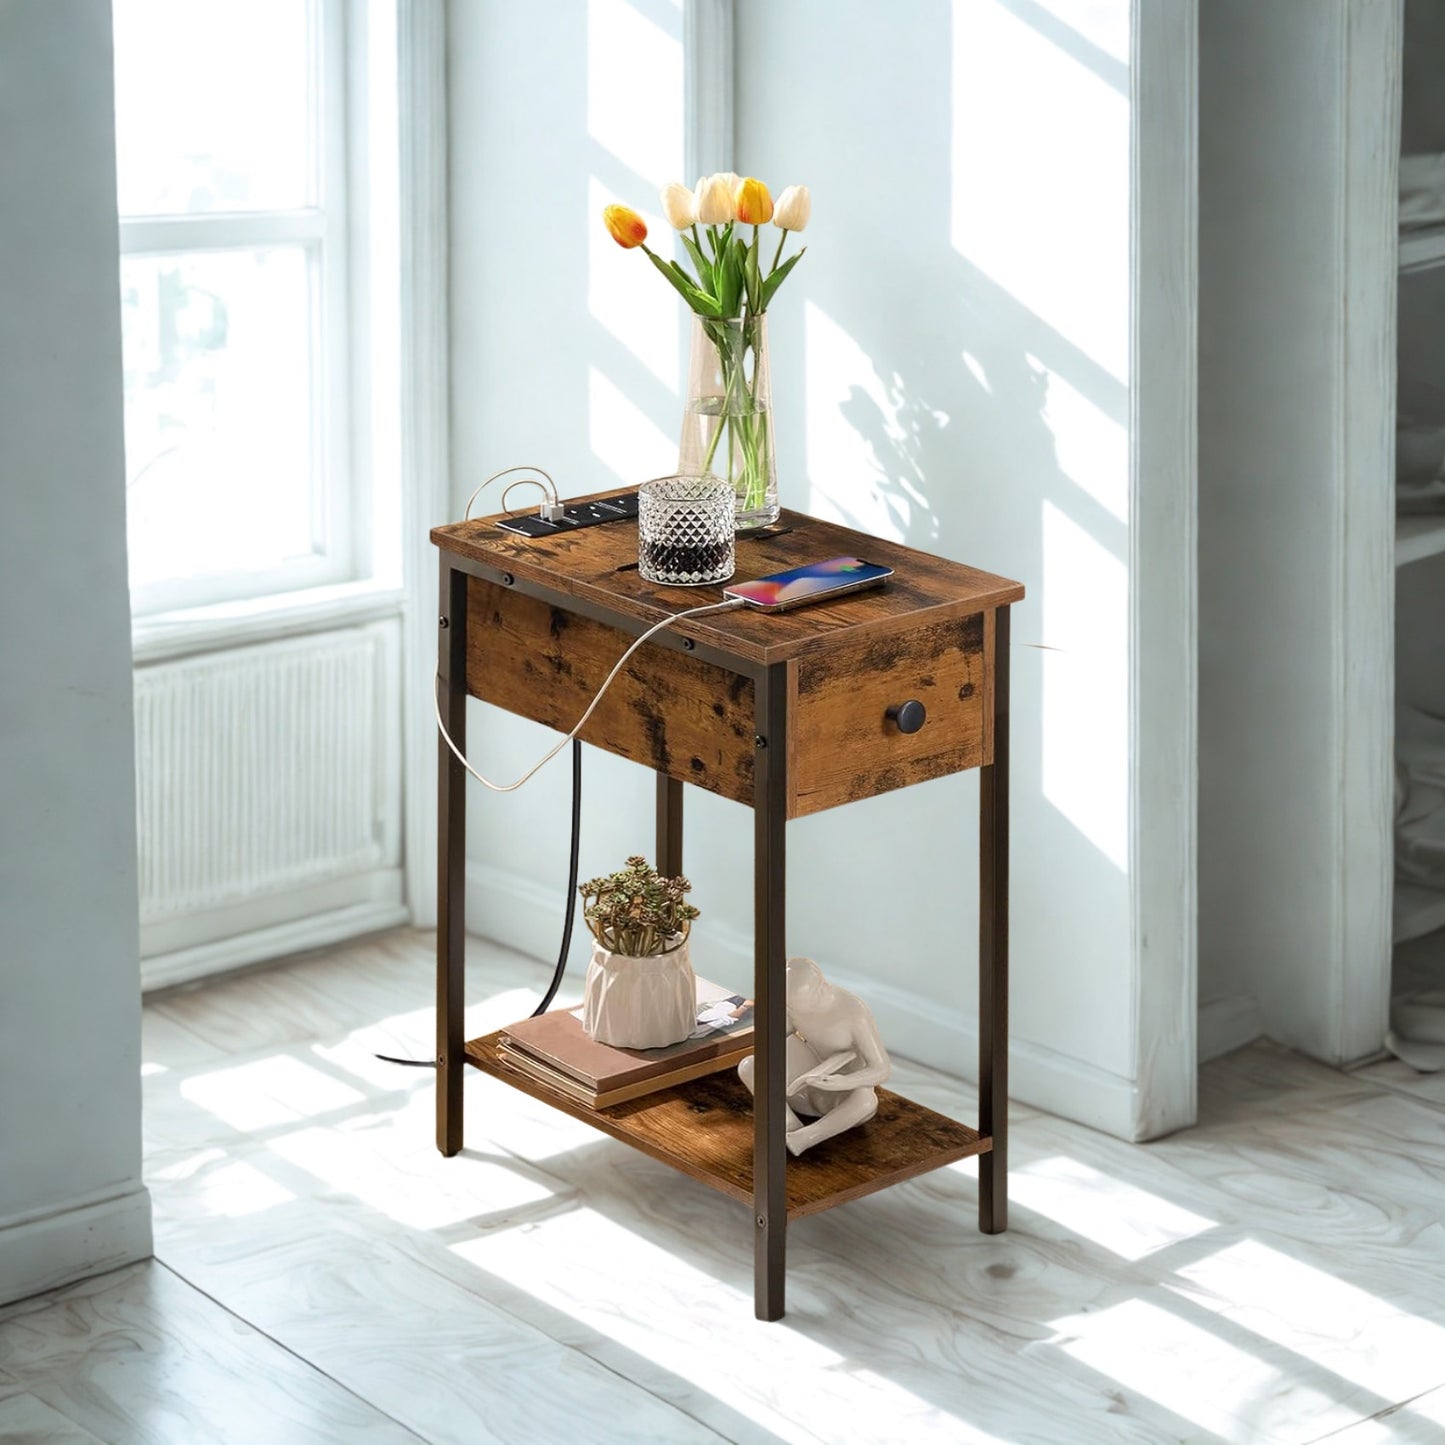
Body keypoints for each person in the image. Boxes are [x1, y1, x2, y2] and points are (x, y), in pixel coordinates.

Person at [737, 957, 892, 1155]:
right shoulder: (791, 1004)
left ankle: (803, 1138)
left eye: (802, 1005)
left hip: (842, 1092)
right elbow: (776, 1038)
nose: (797, 1011)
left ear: (822, 988)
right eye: (790, 1006)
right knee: (749, 1066)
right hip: (806, 1083)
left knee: (866, 1101)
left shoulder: (853, 1011)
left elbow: (882, 1068)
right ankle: (787, 1125)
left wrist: (843, 1082)